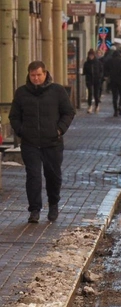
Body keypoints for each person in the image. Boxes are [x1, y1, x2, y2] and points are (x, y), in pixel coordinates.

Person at [9, 61, 76, 223]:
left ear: (45, 74)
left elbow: (68, 112)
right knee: (33, 176)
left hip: (52, 142)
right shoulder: (21, 93)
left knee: (53, 176)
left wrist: (59, 130)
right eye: (33, 75)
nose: (36, 78)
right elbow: (14, 116)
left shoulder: (57, 91)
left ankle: (53, 204)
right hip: (30, 143)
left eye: (39, 75)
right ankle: (34, 210)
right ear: (28, 75)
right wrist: (21, 131)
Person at [104, 50, 121, 116]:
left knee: (114, 96)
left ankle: (115, 111)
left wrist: (107, 75)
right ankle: (120, 106)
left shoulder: (110, 61)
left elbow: (105, 69)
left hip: (113, 80)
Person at [82, 49, 103, 114]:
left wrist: (99, 77)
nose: (91, 57)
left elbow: (101, 71)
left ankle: (96, 106)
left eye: (92, 55)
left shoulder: (98, 62)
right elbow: (84, 71)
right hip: (89, 80)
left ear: (94, 55)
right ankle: (90, 106)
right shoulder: (86, 63)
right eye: (90, 55)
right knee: (90, 93)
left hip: (97, 80)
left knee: (96, 93)